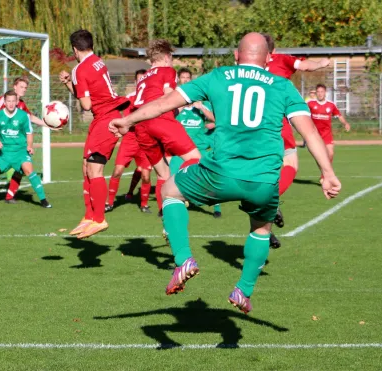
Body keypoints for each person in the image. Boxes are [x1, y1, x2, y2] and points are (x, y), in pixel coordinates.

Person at [110, 32, 341, 314]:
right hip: (264, 180)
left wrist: (128, 119)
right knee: (261, 228)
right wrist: (327, 172)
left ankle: (184, 259)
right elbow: (310, 132)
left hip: (219, 174)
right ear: (269, 58)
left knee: (170, 189)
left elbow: (163, 104)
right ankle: (243, 290)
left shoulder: (218, 76)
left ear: (236, 56)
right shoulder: (282, 86)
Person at [59, 29, 129, 239]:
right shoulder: (98, 61)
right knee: (86, 167)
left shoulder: (80, 69)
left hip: (105, 118)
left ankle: (99, 219)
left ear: (74, 49)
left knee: (95, 170)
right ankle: (89, 216)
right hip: (105, 116)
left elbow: (86, 104)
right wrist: (69, 84)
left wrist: (72, 82)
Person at [264, 34, 331, 248]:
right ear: (272, 51)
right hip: (275, 123)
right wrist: (322, 62)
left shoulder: (242, 67)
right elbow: (304, 65)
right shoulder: (280, 59)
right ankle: (270, 206)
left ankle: (265, 230)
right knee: (289, 164)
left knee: (261, 178)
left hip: (245, 129)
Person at [127, 39, 201, 216]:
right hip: (160, 120)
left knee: (162, 174)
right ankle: (184, 192)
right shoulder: (168, 70)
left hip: (141, 127)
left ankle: (165, 218)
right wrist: (184, 103)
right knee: (196, 159)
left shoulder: (143, 77)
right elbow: (169, 96)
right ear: (167, 57)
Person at [170, 68, 222, 218]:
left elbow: (215, 119)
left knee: (208, 178)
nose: (185, 80)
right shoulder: (175, 104)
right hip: (180, 149)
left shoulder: (201, 103)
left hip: (199, 149)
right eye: (183, 78)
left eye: (188, 78)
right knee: (172, 177)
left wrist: (201, 108)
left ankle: (216, 207)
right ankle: (169, 207)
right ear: (179, 80)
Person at [105, 69, 153, 213]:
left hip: (145, 141)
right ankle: (110, 202)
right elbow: (122, 116)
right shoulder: (129, 98)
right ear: (135, 82)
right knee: (117, 171)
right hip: (130, 139)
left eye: (143, 79)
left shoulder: (153, 99)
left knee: (145, 175)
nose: (140, 82)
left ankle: (144, 204)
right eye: (138, 79)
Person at [308, 83, 351, 182]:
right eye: (318, 92)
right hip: (315, 135)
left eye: (322, 92)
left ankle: (325, 174)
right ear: (316, 93)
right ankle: (324, 174)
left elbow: (339, 115)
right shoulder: (310, 104)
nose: (320, 94)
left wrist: (345, 123)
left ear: (325, 93)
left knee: (330, 154)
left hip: (327, 134)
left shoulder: (331, 105)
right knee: (319, 156)